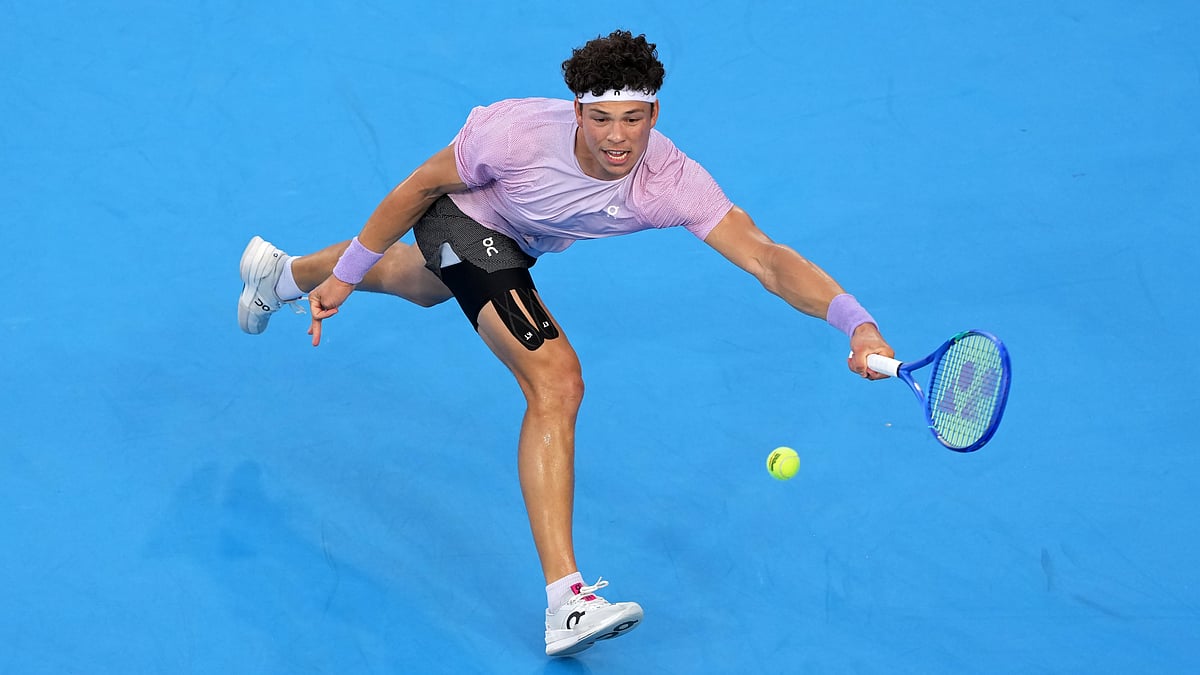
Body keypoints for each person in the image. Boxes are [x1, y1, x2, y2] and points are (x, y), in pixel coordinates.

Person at [237, 29, 894, 657]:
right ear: (577, 111)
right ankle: (566, 600)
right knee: (556, 378)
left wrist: (856, 323)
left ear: (654, 114)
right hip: (464, 216)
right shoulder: (516, 133)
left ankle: (281, 275)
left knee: (424, 281)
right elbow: (420, 188)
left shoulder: (672, 181)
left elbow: (767, 259)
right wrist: (349, 274)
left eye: (634, 119)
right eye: (603, 120)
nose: (618, 138)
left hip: (517, 243)